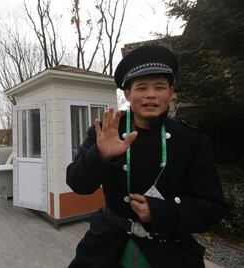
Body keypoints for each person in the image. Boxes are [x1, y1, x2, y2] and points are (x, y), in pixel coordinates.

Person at [66, 45, 228, 268]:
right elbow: (77, 183)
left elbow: (212, 208)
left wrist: (162, 212)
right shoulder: (106, 131)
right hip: (106, 246)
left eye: (159, 87)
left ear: (170, 93)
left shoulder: (192, 140)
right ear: (128, 95)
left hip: (170, 251)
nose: (151, 94)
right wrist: (100, 156)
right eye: (142, 87)